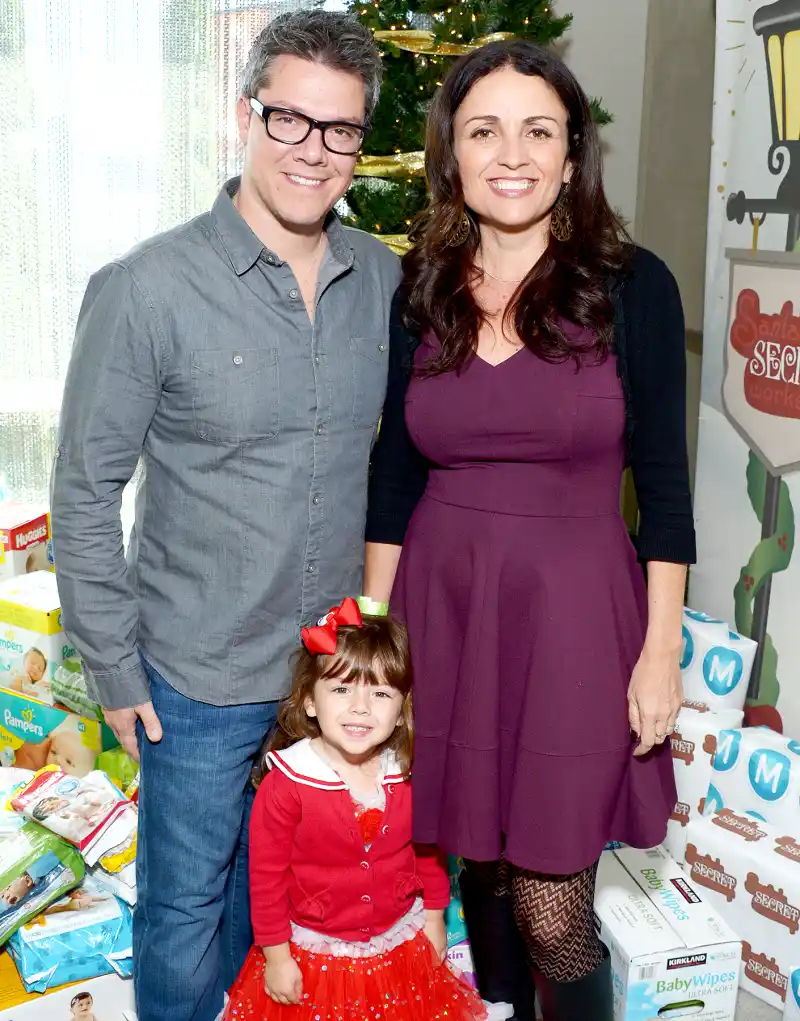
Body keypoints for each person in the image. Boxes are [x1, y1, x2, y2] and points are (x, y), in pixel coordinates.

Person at [50, 11, 400, 1021]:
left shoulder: (380, 280)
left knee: (287, 908)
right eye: (290, 119)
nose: (313, 151)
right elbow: (82, 488)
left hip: (324, 681)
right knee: (184, 915)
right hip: (192, 681)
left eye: (338, 130)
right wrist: (112, 667)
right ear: (243, 115)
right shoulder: (146, 288)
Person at [362, 40, 696, 1021]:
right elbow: (392, 477)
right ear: (451, 155)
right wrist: (372, 642)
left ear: (568, 154)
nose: (510, 153)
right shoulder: (418, 287)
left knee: (553, 906)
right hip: (442, 607)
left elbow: (665, 489)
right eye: (483, 130)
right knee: (481, 863)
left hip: (575, 623)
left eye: (536, 130)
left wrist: (658, 650)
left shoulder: (632, 286)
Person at [223, 598, 485, 1021]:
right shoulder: (287, 783)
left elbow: (429, 853)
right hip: (311, 955)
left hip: (398, 948)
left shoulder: (407, 775)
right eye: (341, 689)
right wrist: (276, 956)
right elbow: (266, 880)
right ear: (309, 701)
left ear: (402, 712)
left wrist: (434, 917)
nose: (360, 707)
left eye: (380, 693)